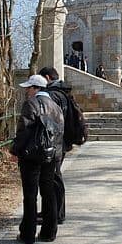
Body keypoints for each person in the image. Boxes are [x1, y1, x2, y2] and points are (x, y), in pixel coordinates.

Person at [13, 74, 64, 244]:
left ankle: (28, 233)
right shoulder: (55, 106)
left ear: (36, 88)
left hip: (32, 155)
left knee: (30, 194)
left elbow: (24, 130)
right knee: (48, 192)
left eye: (29, 88)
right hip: (51, 155)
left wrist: (16, 151)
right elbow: (59, 132)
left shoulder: (31, 104)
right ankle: (49, 232)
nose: (27, 91)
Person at [38, 66, 77, 225]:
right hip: (62, 140)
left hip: (55, 142)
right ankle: (54, 211)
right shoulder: (64, 93)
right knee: (54, 177)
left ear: (47, 78)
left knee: (52, 178)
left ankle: (55, 213)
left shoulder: (53, 95)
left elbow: (50, 120)